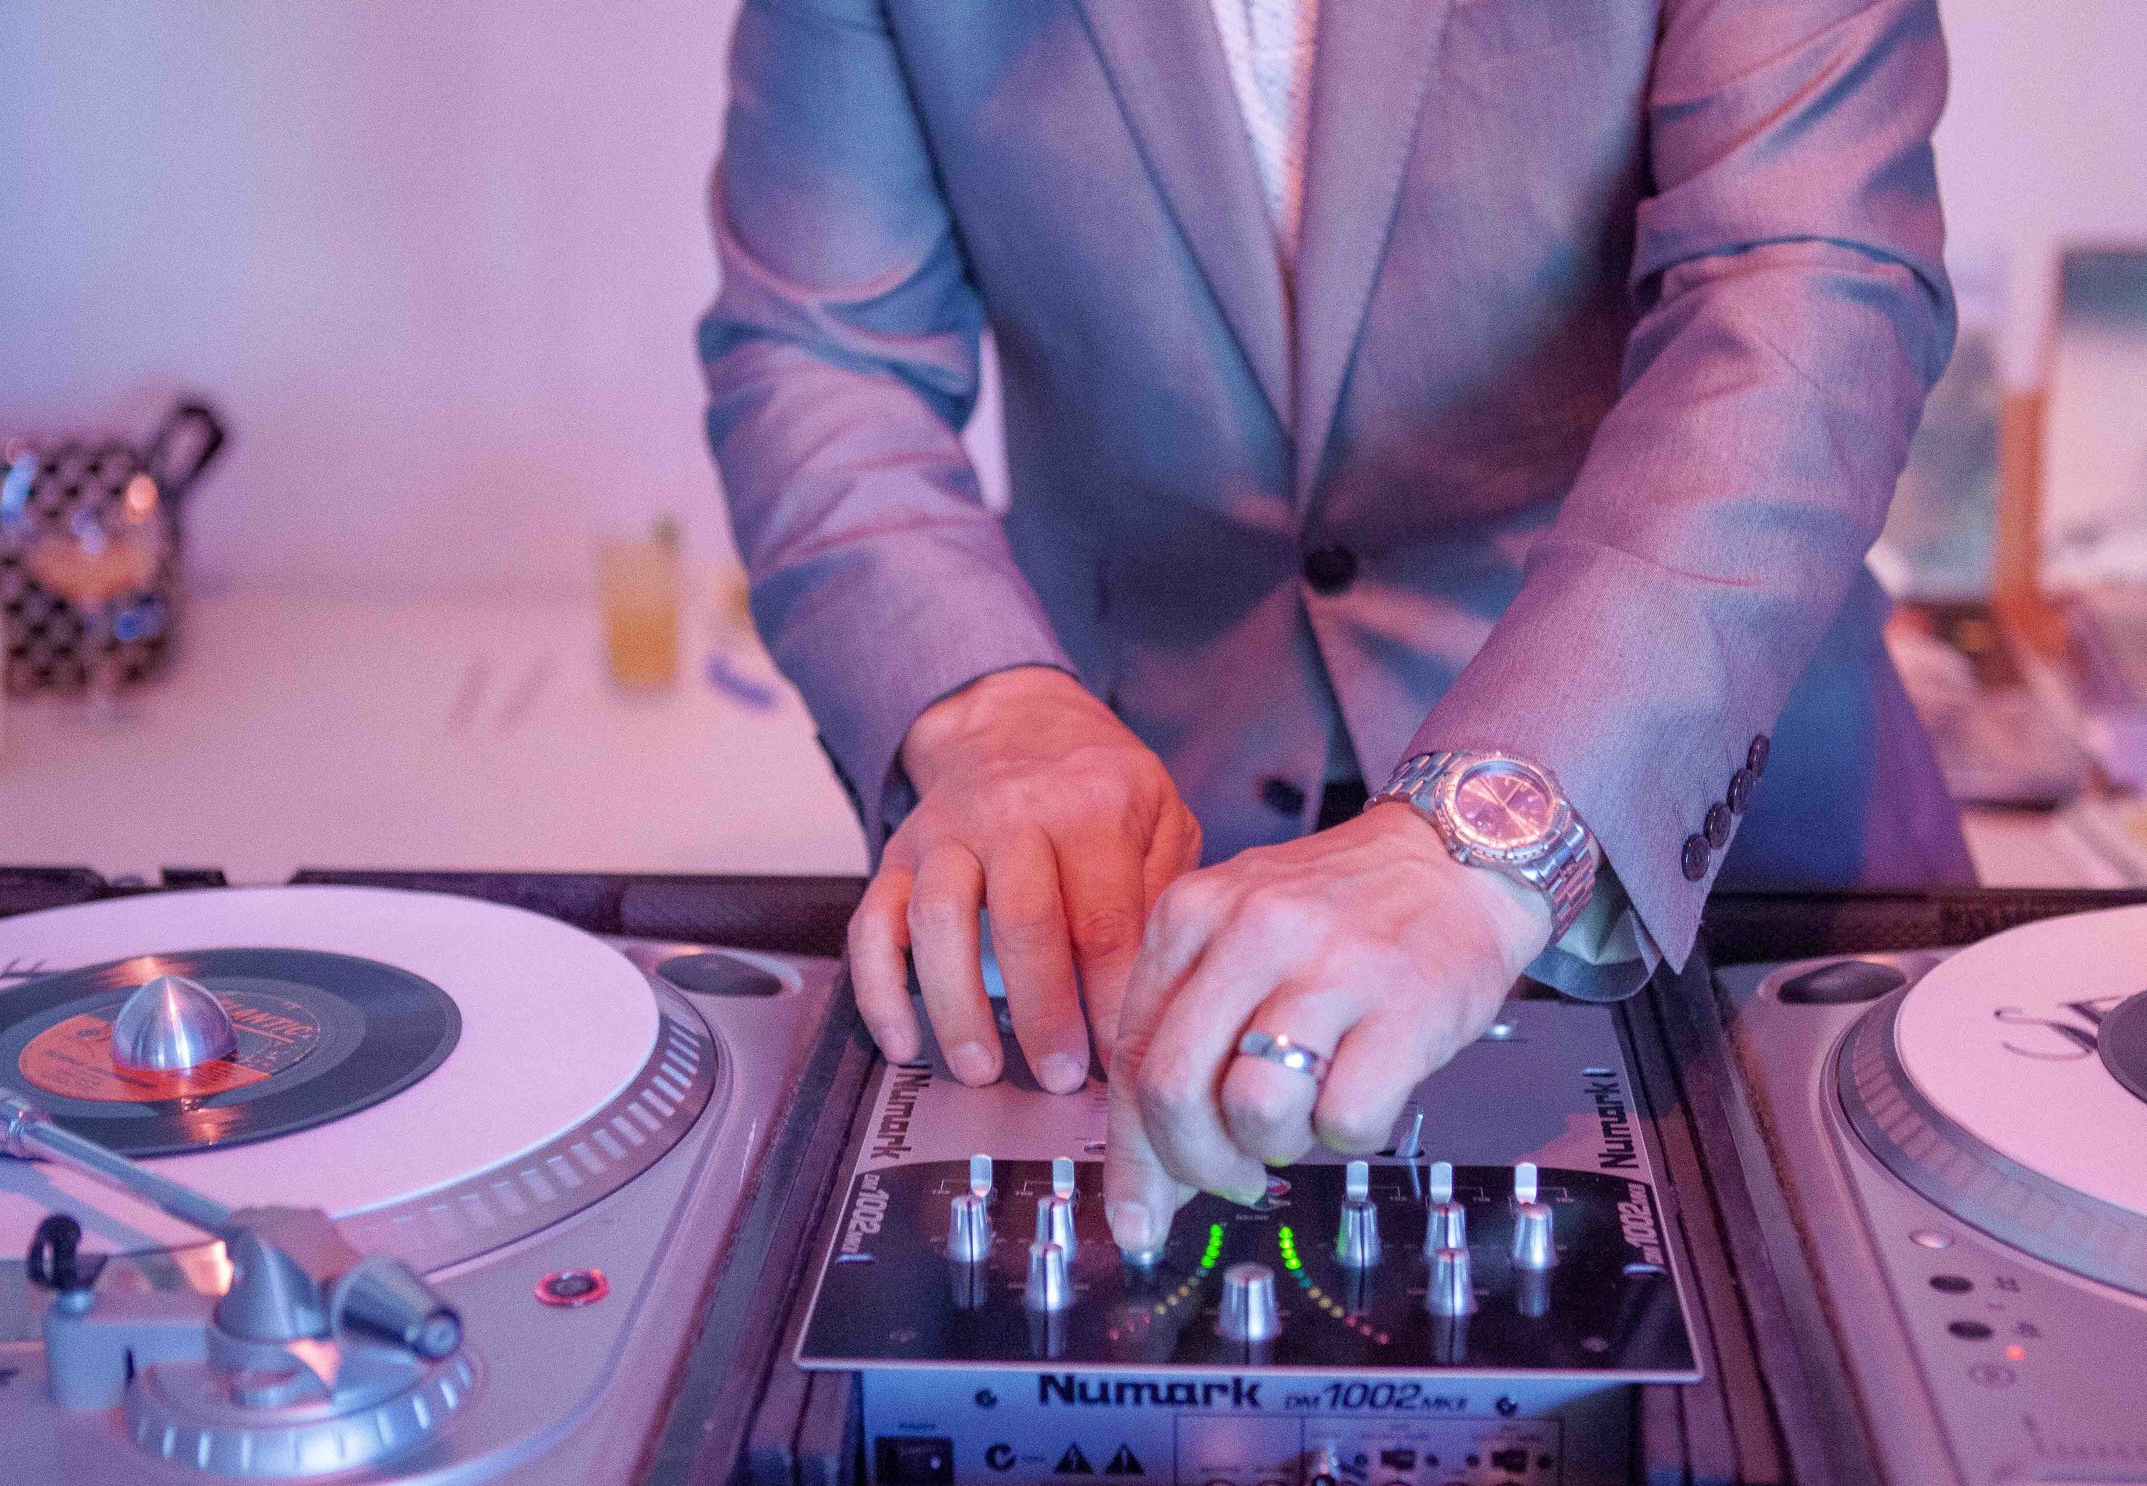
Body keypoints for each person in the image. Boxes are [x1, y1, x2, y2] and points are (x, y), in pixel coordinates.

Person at [701, 0, 1972, 1260]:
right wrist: (988, 705)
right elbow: (822, 354)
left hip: (1703, 831)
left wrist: (1494, 821)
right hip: (1141, 884)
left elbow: (1807, 288)